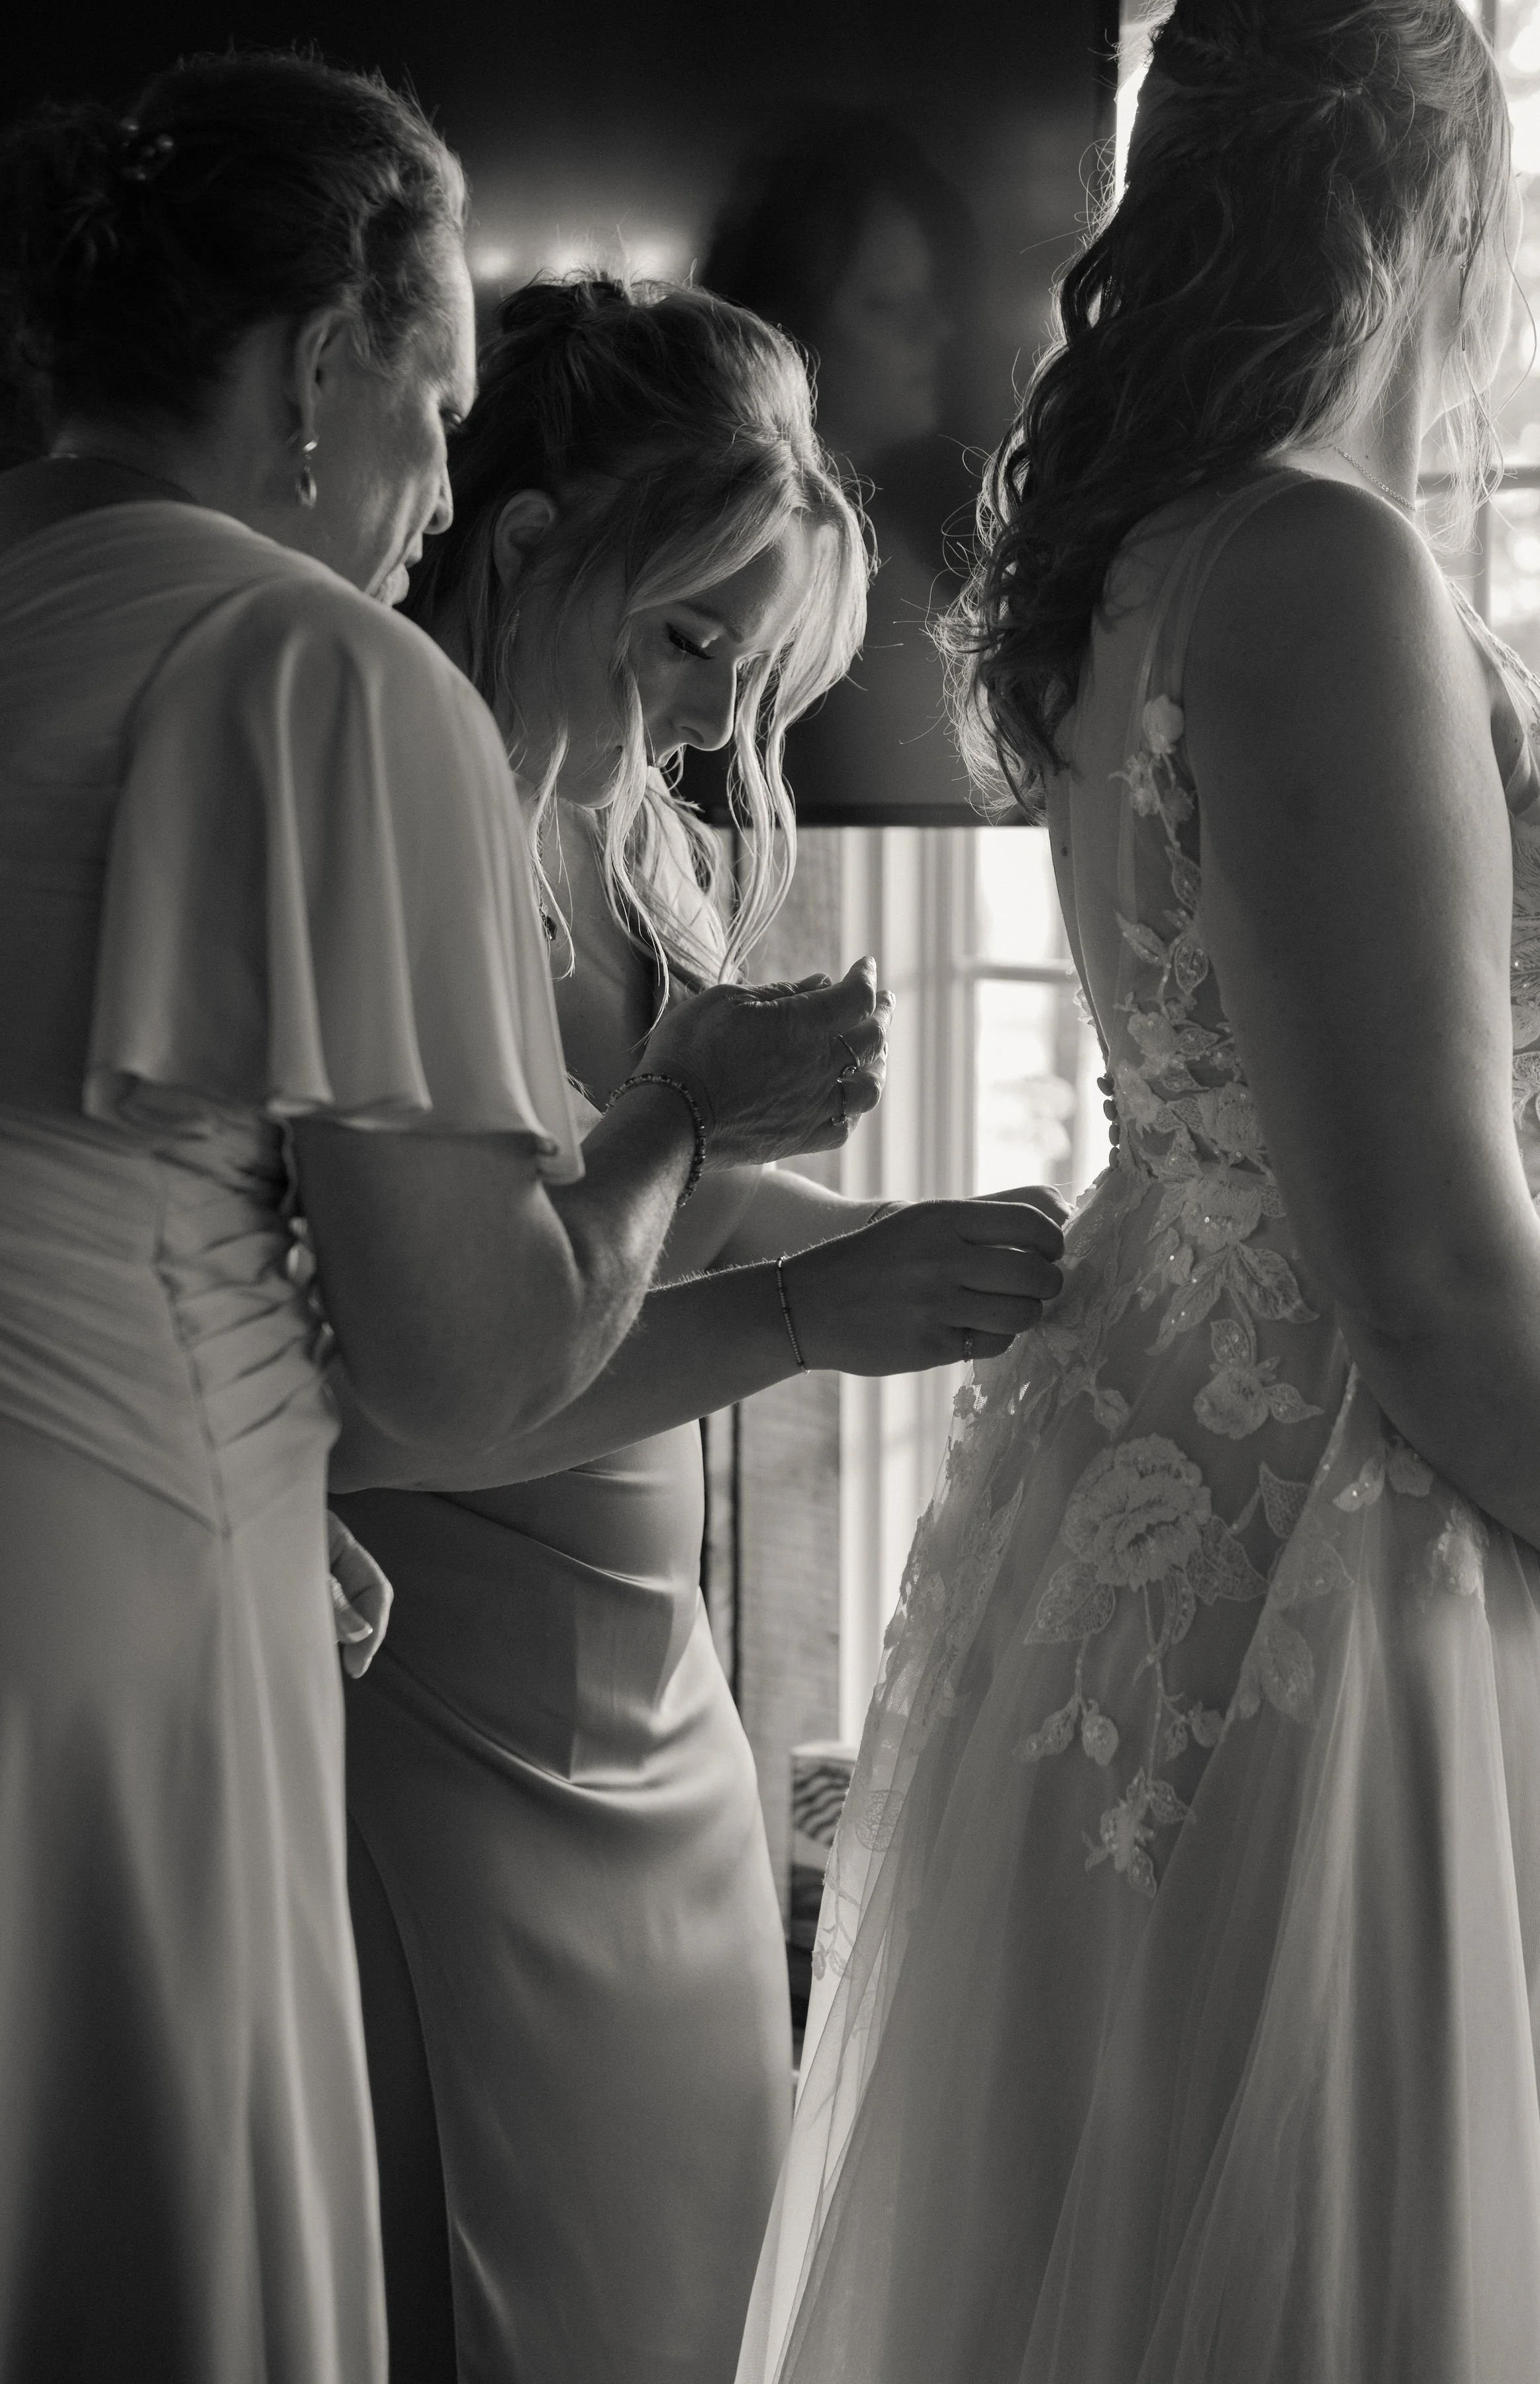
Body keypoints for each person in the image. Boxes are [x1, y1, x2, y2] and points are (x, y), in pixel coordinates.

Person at [0, 59, 898, 2383]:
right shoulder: (331, 672)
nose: (433, 494)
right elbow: (469, 1364)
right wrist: (690, 1115)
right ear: (322, 365)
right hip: (141, 1603)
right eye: (438, 398)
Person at [737, 3, 1540, 2379]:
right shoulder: (1320, 565)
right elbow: (1419, 1267)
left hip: (1158, 1517)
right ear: (1440, 199)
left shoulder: (1167, 553)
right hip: (1347, 1553)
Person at [328, 274, 1069, 2384]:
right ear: (534, 541)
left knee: (682, 2298)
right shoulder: (399, 835)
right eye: (685, 645)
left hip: (660, 1725)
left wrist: (897, 1244)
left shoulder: (605, 839)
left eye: (747, 677)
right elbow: (424, 1392)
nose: (703, 722)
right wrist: (808, 1311)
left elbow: (658, 1194)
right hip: (447, 1722)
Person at [700, 113, 979, 819]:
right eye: (887, 304)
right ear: (789, 329)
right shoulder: (781, 576)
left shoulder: (915, 540)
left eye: (931, 295)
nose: (935, 330)